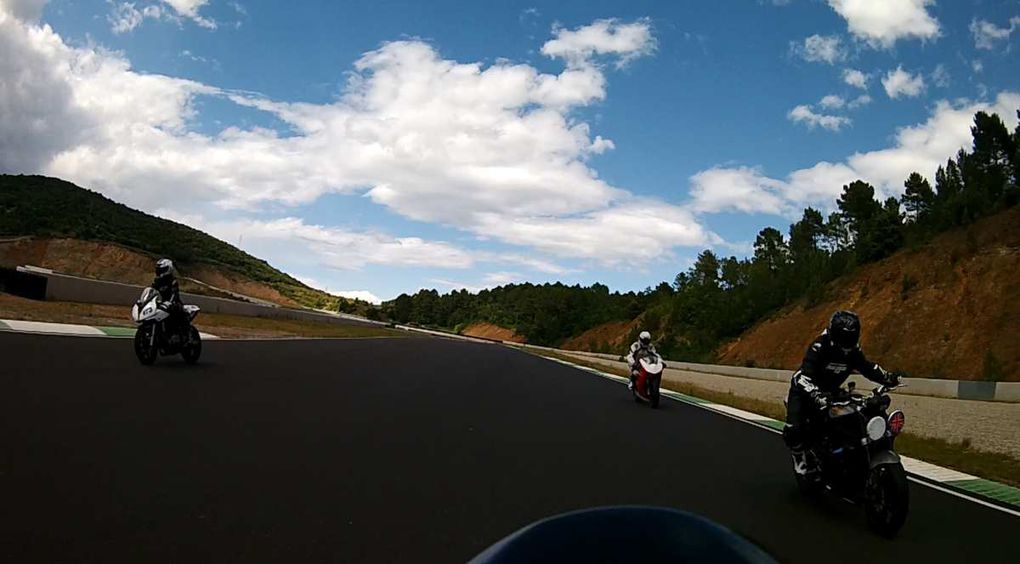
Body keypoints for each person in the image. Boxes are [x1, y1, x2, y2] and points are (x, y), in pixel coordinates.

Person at [782, 310, 900, 475]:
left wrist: (887, 378)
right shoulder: (819, 346)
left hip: (831, 391)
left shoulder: (853, 350)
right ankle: (799, 458)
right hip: (803, 390)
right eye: (843, 337)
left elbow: (867, 367)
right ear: (833, 333)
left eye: (851, 337)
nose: (847, 342)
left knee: (858, 413)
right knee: (793, 430)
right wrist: (816, 394)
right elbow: (804, 376)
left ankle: (854, 454)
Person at [152, 258, 185, 339]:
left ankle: (179, 334)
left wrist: (170, 302)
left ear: (168, 269)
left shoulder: (172, 281)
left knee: (175, 312)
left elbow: (174, 293)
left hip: (173, 303)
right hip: (161, 304)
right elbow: (152, 291)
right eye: (159, 270)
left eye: (162, 269)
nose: (160, 272)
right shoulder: (157, 281)